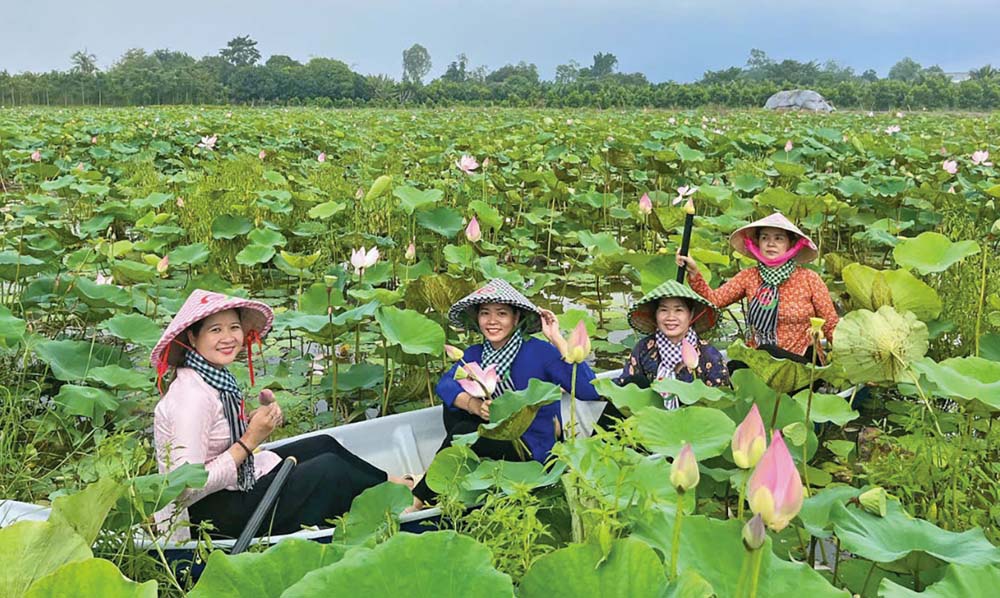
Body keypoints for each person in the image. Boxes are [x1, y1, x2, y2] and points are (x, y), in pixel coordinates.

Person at [151, 289, 413, 540]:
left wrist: (255, 418)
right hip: (206, 515)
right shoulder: (191, 398)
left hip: (231, 486)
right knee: (329, 471)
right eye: (215, 330)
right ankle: (401, 507)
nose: (229, 337)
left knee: (323, 444)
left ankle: (399, 486)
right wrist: (250, 439)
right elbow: (187, 488)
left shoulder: (211, 377)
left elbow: (216, 437)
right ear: (193, 338)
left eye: (234, 327)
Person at [411, 279, 600, 505]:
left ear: (516, 318)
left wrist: (556, 338)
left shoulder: (539, 351)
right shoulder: (474, 353)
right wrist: (474, 405)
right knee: (454, 401)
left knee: (463, 429)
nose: (492, 321)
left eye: (501, 314)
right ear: (477, 318)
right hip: (496, 437)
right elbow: (445, 384)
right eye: (485, 314)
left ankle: (418, 500)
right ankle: (459, 475)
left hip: (531, 447)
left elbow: (589, 390)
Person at [676, 212, 839, 365]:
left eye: (779, 238)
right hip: (761, 360)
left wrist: (848, 361)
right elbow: (714, 300)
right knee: (733, 367)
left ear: (791, 244)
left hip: (802, 361)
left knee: (767, 351)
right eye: (764, 238)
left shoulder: (809, 278)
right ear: (757, 243)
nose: (771, 243)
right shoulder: (749, 276)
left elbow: (831, 324)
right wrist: (694, 272)